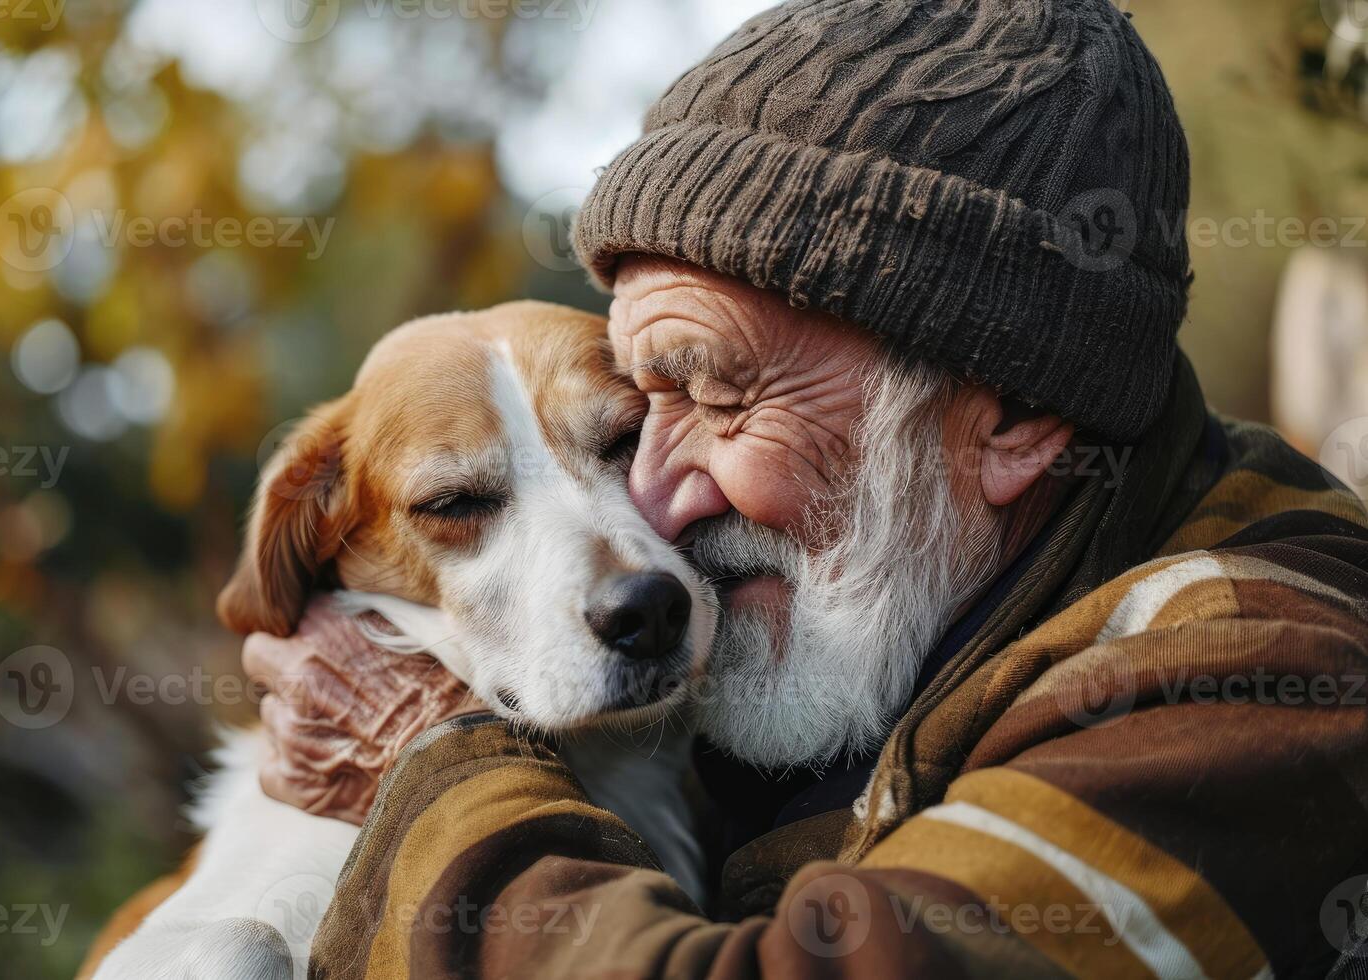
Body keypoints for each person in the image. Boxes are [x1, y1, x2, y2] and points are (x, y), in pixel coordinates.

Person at [245, 1, 1368, 974]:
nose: (659, 499)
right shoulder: (854, 620)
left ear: (1013, 417)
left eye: (721, 398)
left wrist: (429, 768)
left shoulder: (1255, 663)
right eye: (646, 401)